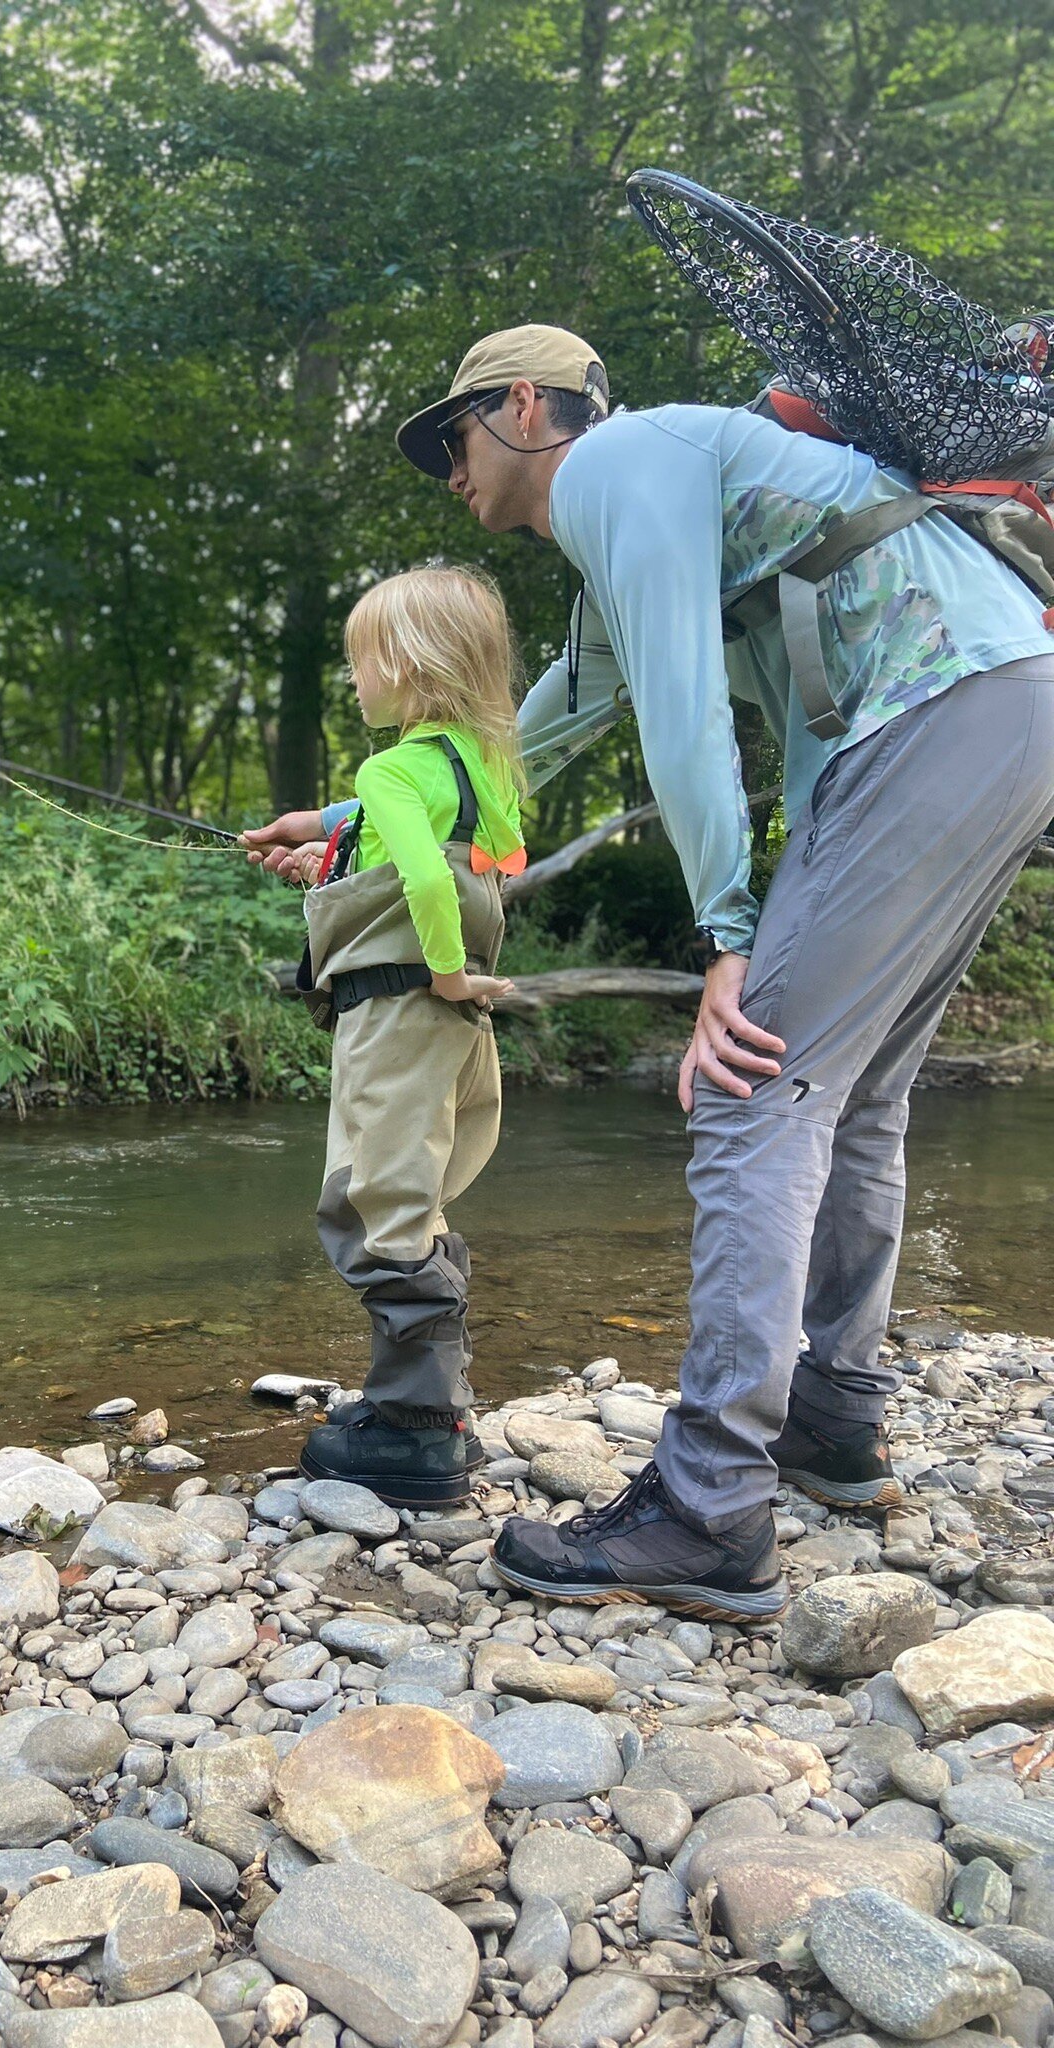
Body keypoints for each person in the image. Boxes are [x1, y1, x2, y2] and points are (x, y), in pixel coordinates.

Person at [244, 324, 1054, 1620]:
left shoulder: (618, 465)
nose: (443, 470)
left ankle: (709, 1506)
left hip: (934, 712)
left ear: (522, 406)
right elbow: (534, 733)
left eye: (447, 438)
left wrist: (730, 933)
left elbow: (682, 703)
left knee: (750, 1087)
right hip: (1007, 702)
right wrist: (346, 821)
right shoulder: (641, 511)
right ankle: (832, 1427)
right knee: (855, 1095)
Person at [286, 565, 525, 1507]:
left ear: (413, 665)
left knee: (372, 1202)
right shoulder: (485, 767)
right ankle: (427, 1402)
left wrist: (444, 966)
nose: (355, 682)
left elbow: (427, 886)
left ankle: (417, 1436)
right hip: (458, 1031)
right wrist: (330, 836)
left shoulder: (386, 770)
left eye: (362, 663)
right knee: (420, 1200)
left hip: (399, 1010)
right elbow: (478, 860)